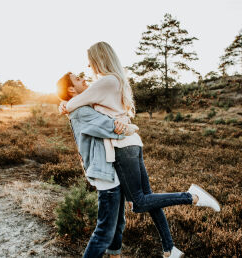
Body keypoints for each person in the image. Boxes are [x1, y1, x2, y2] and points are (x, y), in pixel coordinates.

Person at [59, 41, 221, 258]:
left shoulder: (105, 82)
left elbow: (73, 105)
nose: (88, 68)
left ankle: (192, 196)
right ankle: (169, 248)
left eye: (90, 63)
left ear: (99, 59)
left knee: (140, 201)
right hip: (131, 143)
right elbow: (83, 105)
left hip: (122, 145)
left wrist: (62, 105)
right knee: (147, 198)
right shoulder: (115, 80)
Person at [57, 72, 138, 258]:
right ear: (71, 88)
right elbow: (114, 127)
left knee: (118, 224)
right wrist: (130, 126)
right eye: (78, 79)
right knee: (104, 233)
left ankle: (115, 255)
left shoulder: (85, 105)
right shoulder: (81, 111)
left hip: (111, 169)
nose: (84, 79)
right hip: (104, 173)